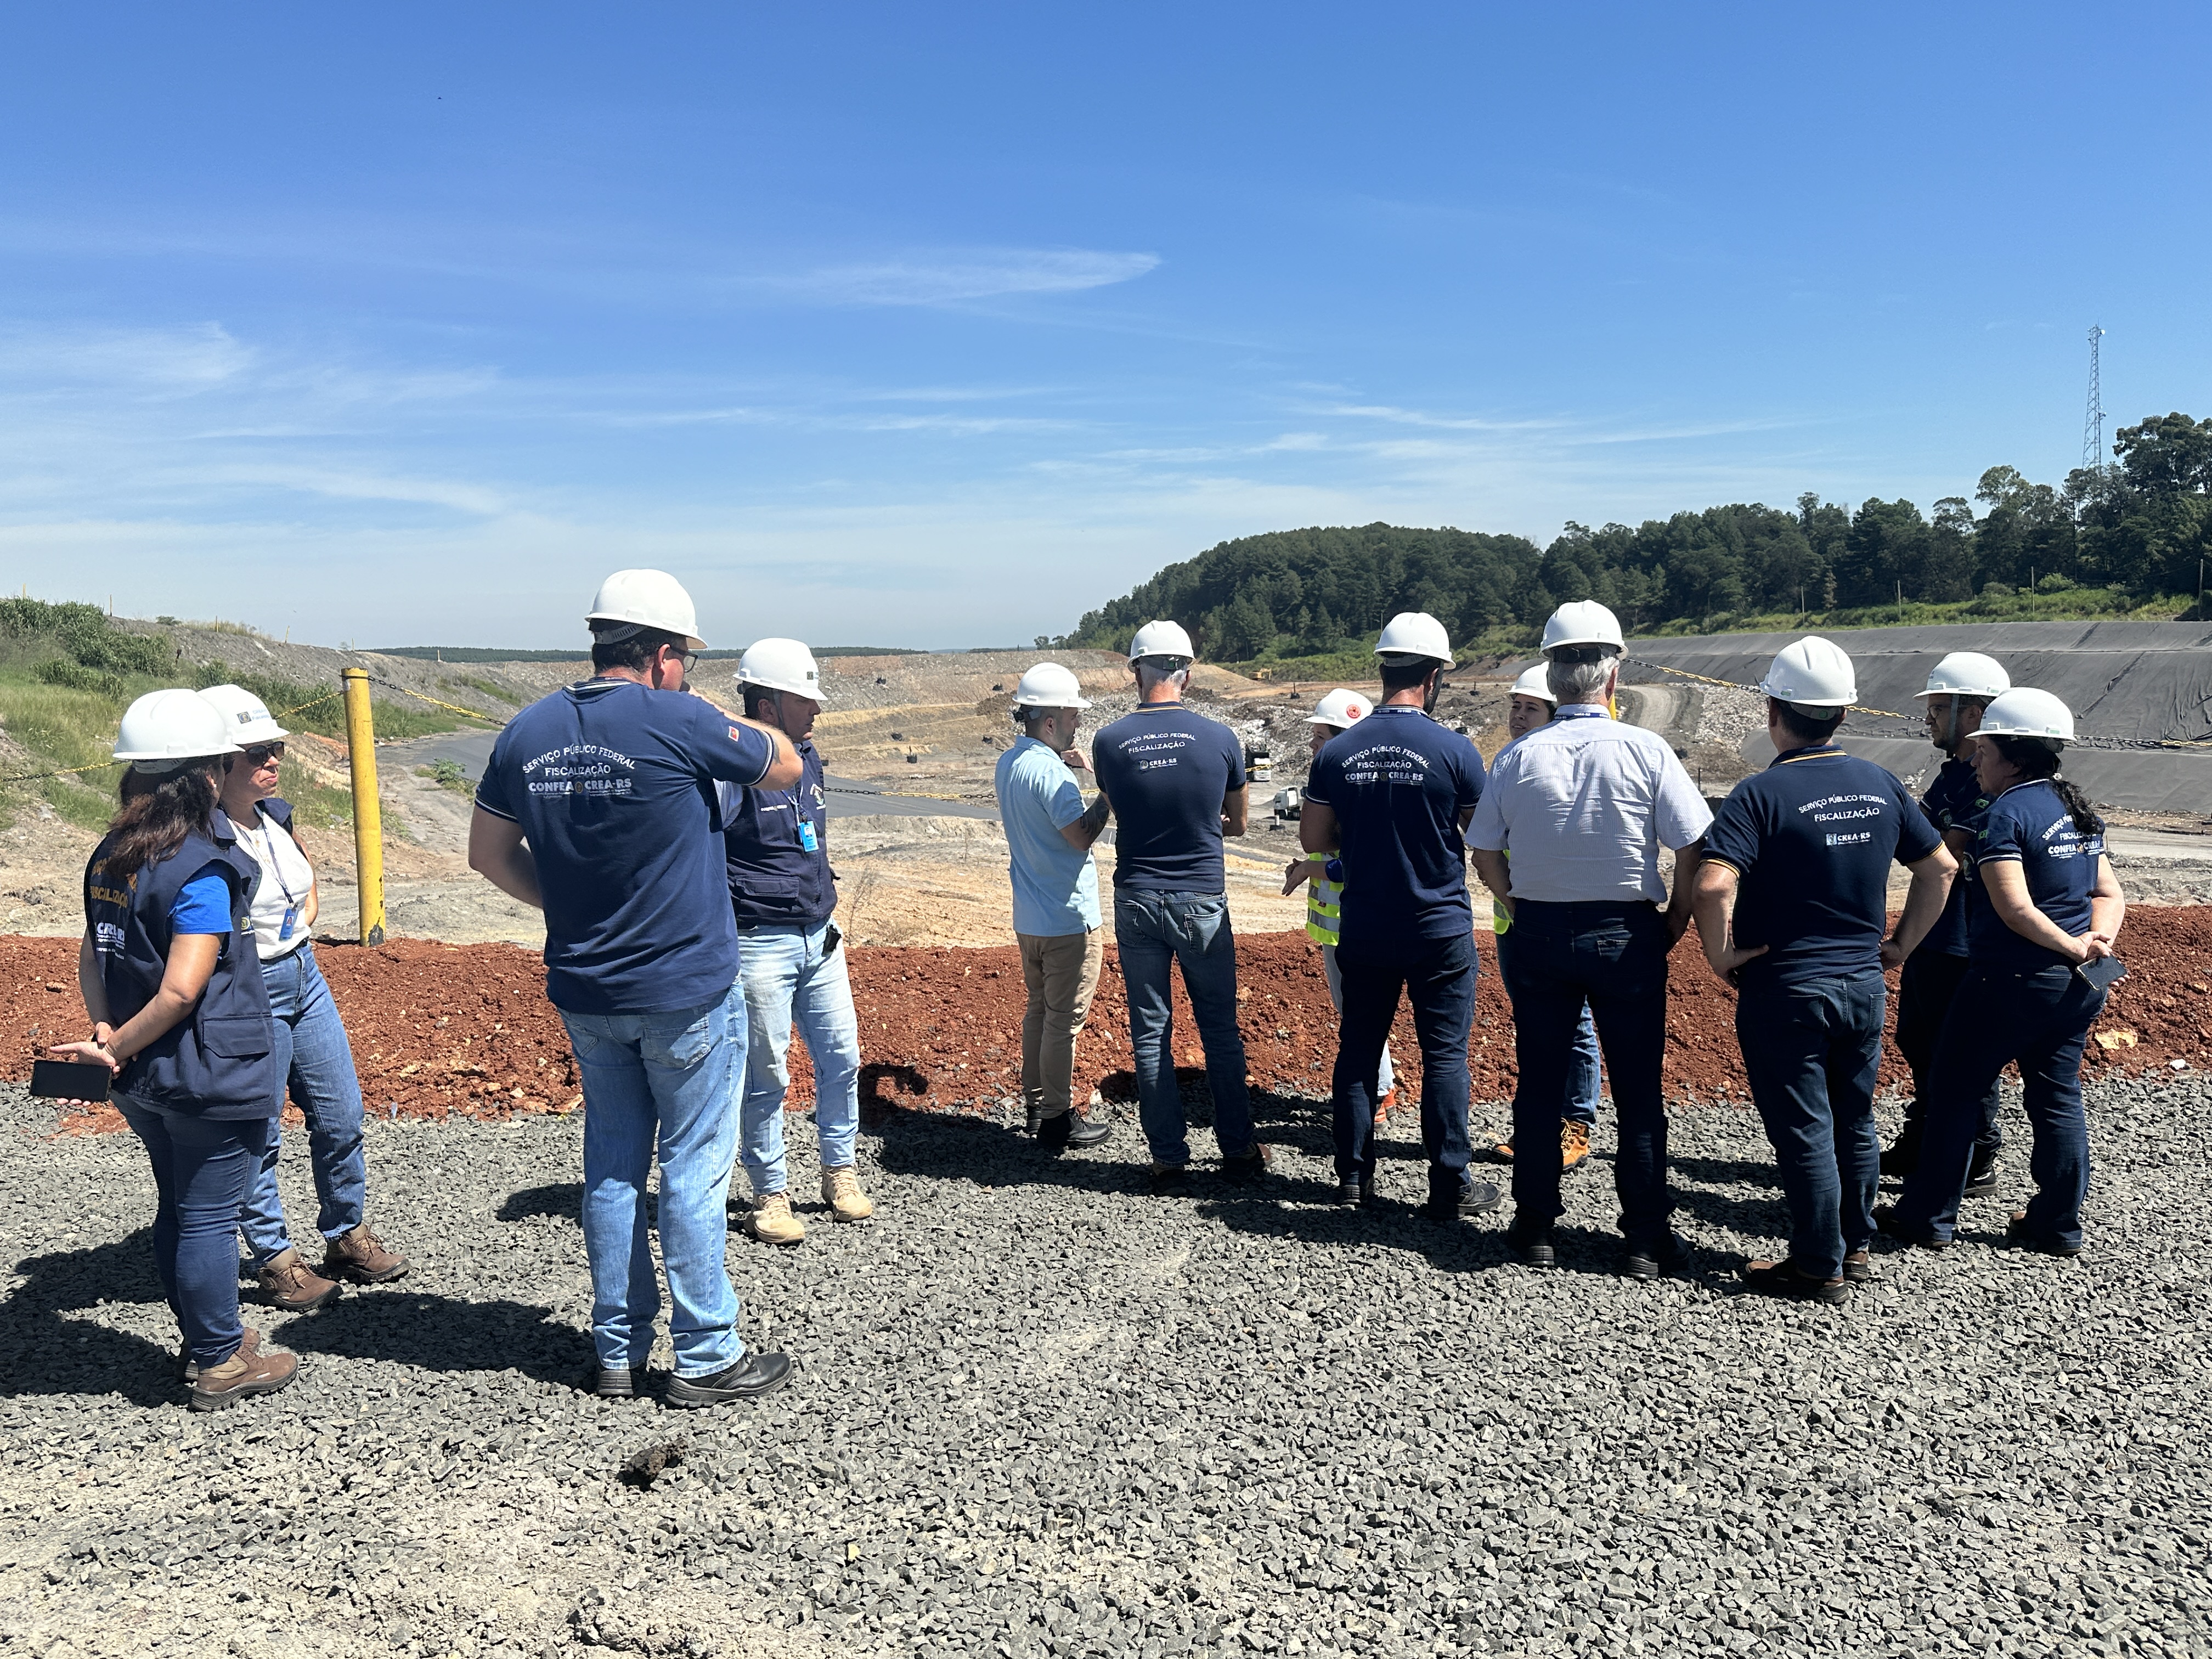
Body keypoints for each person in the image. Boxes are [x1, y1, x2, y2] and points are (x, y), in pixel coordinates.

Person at [470, 569, 802, 1407]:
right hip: (684, 984)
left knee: (613, 1166)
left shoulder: (527, 731)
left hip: (587, 988)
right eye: (685, 659)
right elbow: (787, 768)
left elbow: (487, 855)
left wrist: (575, 902)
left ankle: (617, 1349)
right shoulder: (681, 717)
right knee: (692, 1168)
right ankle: (706, 1355)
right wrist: (721, 721)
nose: (687, 672)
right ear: (660, 655)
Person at [48, 690, 297, 1409]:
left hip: (142, 1078)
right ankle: (220, 1361)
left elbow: (94, 958)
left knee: (180, 1208)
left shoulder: (111, 855)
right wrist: (114, 1043)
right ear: (205, 775)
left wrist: (107, 1038)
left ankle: (207, 1334)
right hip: (207, 1073)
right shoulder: (200, 865)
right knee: (210, 1214)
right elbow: (185, 988)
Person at [1691, 639, 1957, 1304]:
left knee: (1807, 1127)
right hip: (1862, 986)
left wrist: (1721, 955)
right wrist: (1901, 945)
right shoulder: (1881, 784)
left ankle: (1817, 1265)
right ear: (1842, 715)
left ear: (1774, 710)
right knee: (1855, 1119)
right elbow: (1941, 869)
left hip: (1787, 991)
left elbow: (1713, 885)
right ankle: (1855, 1244)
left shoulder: (1759, 794)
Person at [1469, 600, 1712, 1278]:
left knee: (1540, 1080)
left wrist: (1514, 900)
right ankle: (1642, 1237)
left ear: (1551, 671)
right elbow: (1693, 842)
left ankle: (1536, 1225)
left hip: (1541, 931)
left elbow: (1483, 850)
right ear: (1616, 670)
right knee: (1637, 1089)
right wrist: (1677, 918)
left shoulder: (1518, 756)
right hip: (1627, 933)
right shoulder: (1646, 749)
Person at [1879, 689, 2124, 1259]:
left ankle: (1927, 1217)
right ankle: (2056, 1226)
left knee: (1954, 1093)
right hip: (2074, 990)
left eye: (1984, 750)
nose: (1975, 759)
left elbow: (2015, 910)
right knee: (2058, 1097)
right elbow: (2108, 891)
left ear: (2013, 757)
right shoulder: (2076, 807)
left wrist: (2068, 946)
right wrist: (2096, 943)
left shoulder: (2004, 816)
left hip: (2008, 983)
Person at [196, 684, 409, 1310]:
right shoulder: (200, 838)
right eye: (258, 751)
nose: (274, 761)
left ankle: (346, 1233)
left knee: (341, 1114)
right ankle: (277, 1260)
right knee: (258, 1134)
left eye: (277, 748)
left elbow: (304, 882)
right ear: (214, 766)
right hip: (248, 986)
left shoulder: (276, 815)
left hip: (304, 974)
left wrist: (305, 917)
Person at [1301, 613, 1498, 1218]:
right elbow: (1484, 835)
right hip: (1438, 927)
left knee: (1359, 1051)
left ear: (1383, 670)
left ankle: (1354, 1180)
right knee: (1444, 1056)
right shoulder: (1456, 751)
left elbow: (1315, 838)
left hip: (1364, 927)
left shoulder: (1338, 752)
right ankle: (1448, 1185)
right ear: (1434, 677)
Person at [1090, 620, 1265, 1193]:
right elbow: (1237, 822)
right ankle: (1238, 1147)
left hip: (1137, 896)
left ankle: (1168, 1155)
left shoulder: (1109, 741)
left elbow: (1122, 810)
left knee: (1150, 1030)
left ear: (1135, 672)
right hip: (1200, 898)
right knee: (1219, 1028)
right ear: (1187, 674)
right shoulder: (1220, 739)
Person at [718, 639, 870, 1247]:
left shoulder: (808, 755)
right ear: (769, 703)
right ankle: (770, 1193)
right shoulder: (731, 765)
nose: (817, 710)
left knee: (842, 1060)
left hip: (819, 937)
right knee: (767, 1075)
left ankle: (840, 1172)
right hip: (760, 942)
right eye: (805, 698)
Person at [1882, 652, 2009, 1190]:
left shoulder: (1983, 781)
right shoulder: (1955, 774)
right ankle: (1929, 1134)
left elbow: (1942, 857)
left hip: (1964, 940)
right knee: (1920, 1038)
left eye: (1938, 708)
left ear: (1974, 715)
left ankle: (1978, 1153)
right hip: (1938, 932)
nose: (1928, 719)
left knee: (1961, 1048)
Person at [994, 662, 1114, 1154]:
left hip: (1031, 917)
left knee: (1040, 1012)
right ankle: (1057, 1121)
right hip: (1068, 918)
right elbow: (1080, 836)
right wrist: (1107, 794)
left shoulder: (1011, 762)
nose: (1076, 724)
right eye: (1071, 716)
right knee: (1064, 1021)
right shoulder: (1051, 774)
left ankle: (1037, 1103)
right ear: (1049, 721)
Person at [1487, 662, 1602, 1172]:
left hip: (1551, 915)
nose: (1517, 714)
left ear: (1556, 712)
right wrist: (1513, 904)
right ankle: (1539, 1123)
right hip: (1516, 919)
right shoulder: (1509, 763)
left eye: (1529, 707)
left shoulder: (1563, 765)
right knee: (1536, 1024)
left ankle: (1575, 1122)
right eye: (1514, 705)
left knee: (1574, 1023)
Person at [1279, 687, 1396, 1126]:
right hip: (1343, 925)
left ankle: (1378, 1095)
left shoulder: (1354, 797)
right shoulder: (1357, 789)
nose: (1312, 746)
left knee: (1359, 1012)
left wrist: (1311, 869)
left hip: (1355, 924)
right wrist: (1308, 864)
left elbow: (1353, 867)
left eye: (1320, 737)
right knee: (1357, 1009)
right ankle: (1378, 1089)